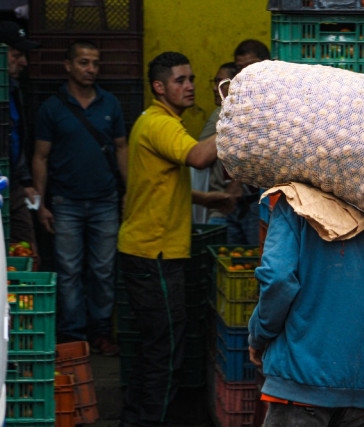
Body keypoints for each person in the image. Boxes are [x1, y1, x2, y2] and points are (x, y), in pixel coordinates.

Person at [117, 51, 230, 427]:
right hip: (155, 256)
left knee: (155, 350)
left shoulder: (154, 122)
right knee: (164, 352)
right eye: (180, 80)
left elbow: (156, 185)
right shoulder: (161, 124)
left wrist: (205, 198)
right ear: (159, 87)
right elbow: (199, 157)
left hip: (149, 251)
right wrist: (236, 121)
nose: (190, 86)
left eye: (192, 79)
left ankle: (137, 419)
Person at [248, 197, 364, 426]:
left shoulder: (293, 204)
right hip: (363, 384)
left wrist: (258, 335)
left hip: (301, 381)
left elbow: (278, 281)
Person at [32, 39, 127, 355]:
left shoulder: (110, 104)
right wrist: (42, 204)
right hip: (66, 203)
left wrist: (130, 192)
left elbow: (122, 148)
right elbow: (40, 157)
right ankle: (73, 336)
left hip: (105, 201)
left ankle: (100, 332)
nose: (91, 69)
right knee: (69, 271)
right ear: (68, 65)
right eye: (84, 62)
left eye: (96, 63)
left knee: (103, 270)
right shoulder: (52, 108)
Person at [225, 39, 271, 244]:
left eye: (249, 67)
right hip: (238, 202)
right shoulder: (239, 102)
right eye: (239, 69)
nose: (244, 74)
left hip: (259, 201)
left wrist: (236, 181)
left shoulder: (270, 102)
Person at [0, 21, 40, 247]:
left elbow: (16, 138)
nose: (24, 62)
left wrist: (24, 181)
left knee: (26, 251)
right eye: (17, 55)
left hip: (12, 184)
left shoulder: (14, 89)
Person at [191, 61, 238, 225]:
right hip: (224, 201)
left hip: (224, 204)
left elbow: (198, 157)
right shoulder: (221, 114)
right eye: (215, 82)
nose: (214, 88)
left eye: (221, 83)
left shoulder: (221, 113)